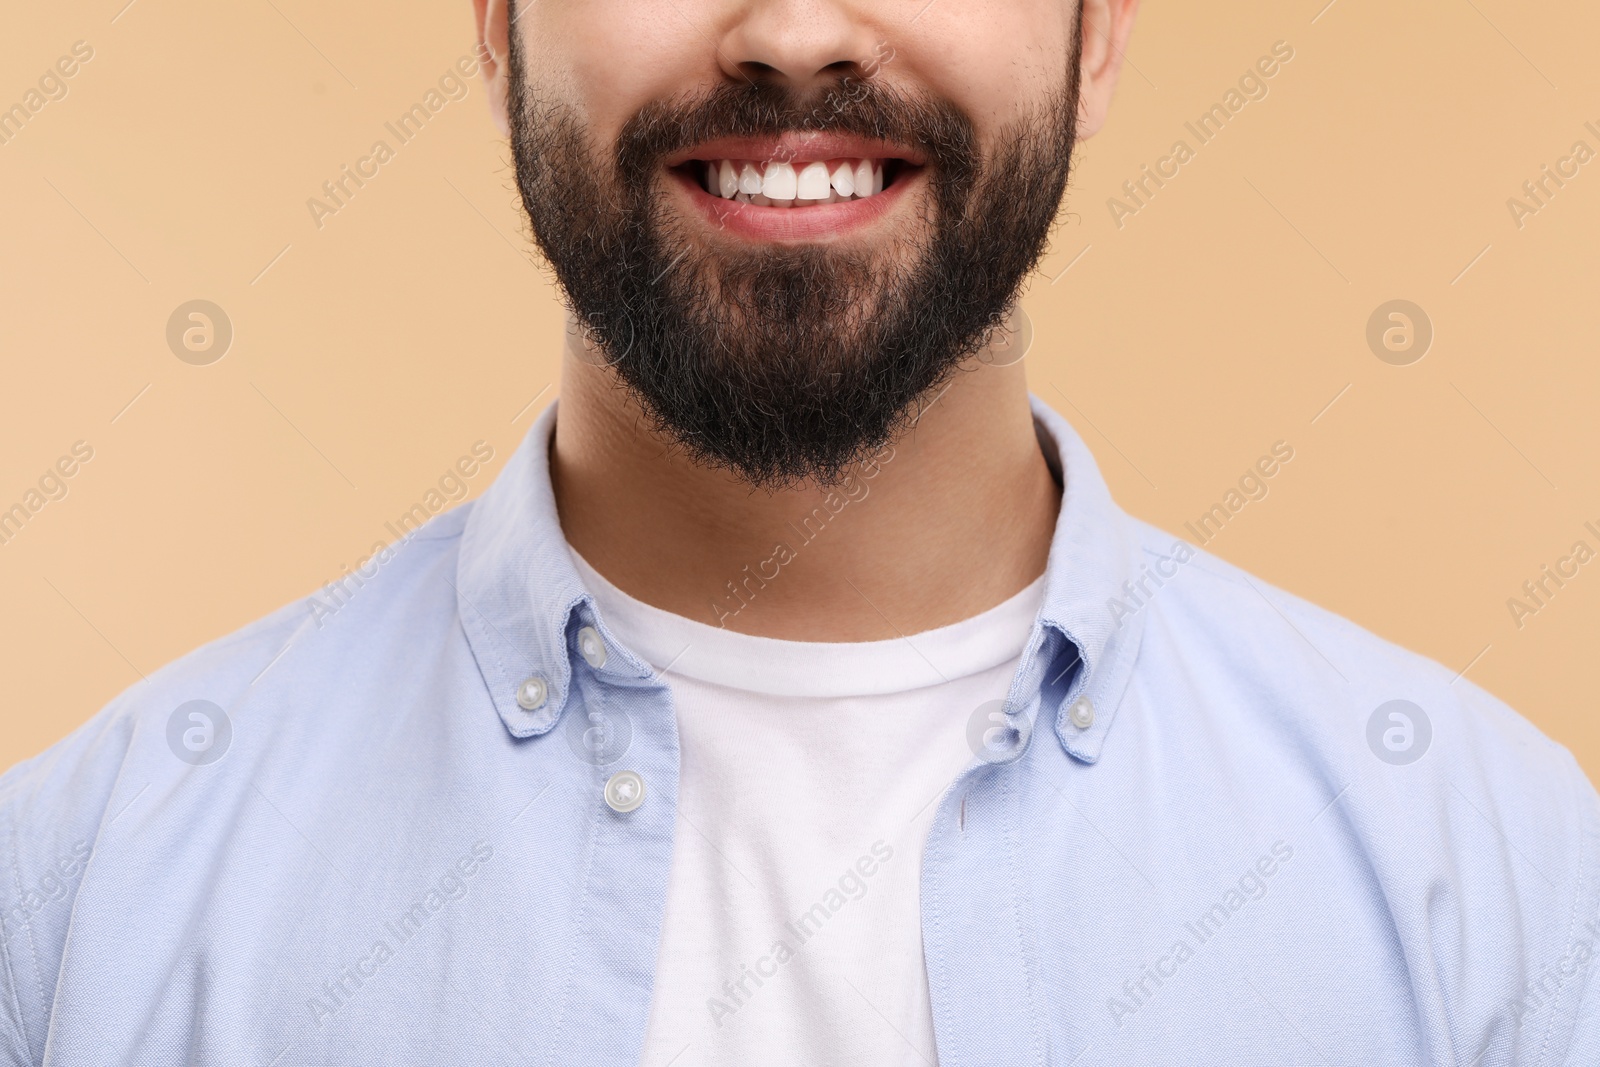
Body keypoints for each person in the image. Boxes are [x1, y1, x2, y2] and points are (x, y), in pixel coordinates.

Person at [3, 0, 1596, 1063]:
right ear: (496, 27)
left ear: (1097, 35)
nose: (790, 32)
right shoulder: (77, 903)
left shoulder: (1502, 885)